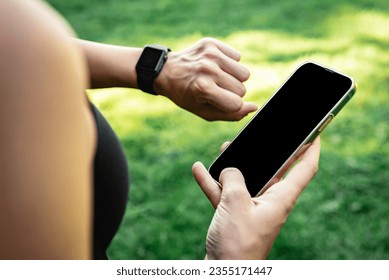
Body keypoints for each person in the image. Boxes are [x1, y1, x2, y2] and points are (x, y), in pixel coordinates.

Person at [0, 0, 320, 259]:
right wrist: (234, 259)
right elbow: (20, 48)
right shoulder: (19, 39)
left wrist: (157, 69)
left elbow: (29, 49)